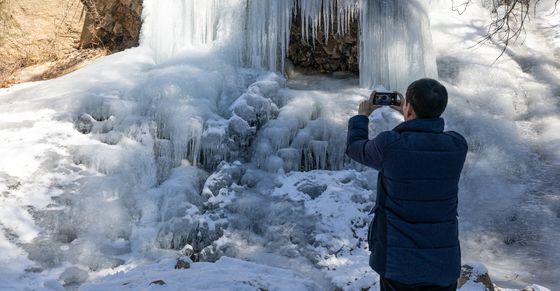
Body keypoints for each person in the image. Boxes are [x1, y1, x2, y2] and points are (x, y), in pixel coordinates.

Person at [346, 78, 468, 291]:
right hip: (443, 263)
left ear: (408, 108)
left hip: (398, 262)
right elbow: (424, 144)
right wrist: (411, 115)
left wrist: (361, 117)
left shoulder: (390, 145)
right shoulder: (456, 146)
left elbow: (355, 148)